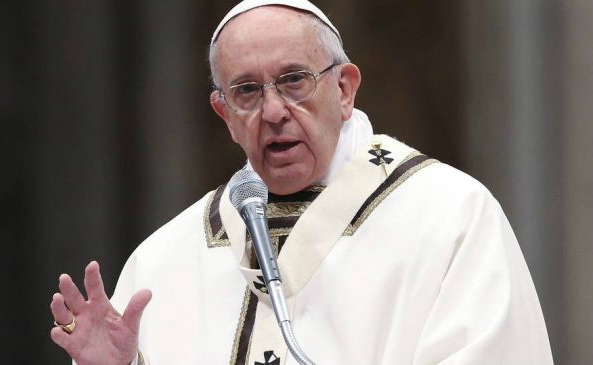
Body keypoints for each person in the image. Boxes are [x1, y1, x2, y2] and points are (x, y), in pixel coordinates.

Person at [49, 1, 553, 364]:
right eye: (246, 91)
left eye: (294, 80)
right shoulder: (165, 260)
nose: (272, 112)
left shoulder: (449, 217)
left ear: (344, 88)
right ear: (223, 113)